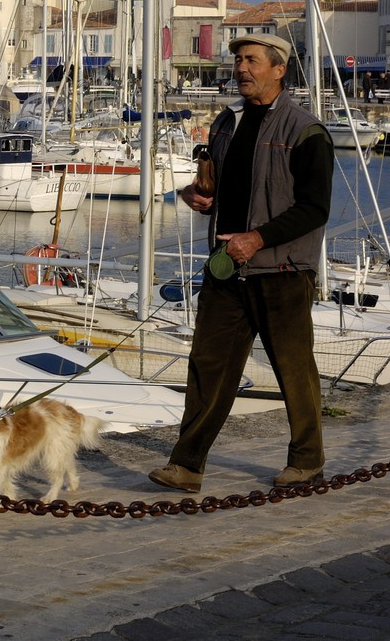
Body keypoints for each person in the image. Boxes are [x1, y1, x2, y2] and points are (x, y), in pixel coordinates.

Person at [148, 32, 333, 494]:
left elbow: (314, 209)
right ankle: (186, 465)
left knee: (293, 368)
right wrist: (198, 198)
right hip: (225, 266)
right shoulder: (225, 125)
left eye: (251, 60)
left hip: (283, 270)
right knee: (207, 367)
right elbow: (224, 192)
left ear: (278, 69)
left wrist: (258, 239)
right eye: (238, 61)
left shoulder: (306, 131)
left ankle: (307, 461)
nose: (242, 69)